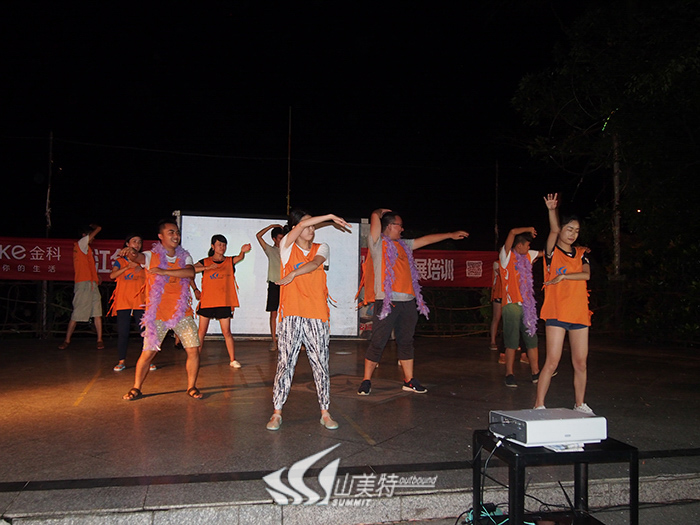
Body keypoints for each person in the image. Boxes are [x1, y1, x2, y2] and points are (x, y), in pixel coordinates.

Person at [357, 209, 468, 396]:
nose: (402, 229)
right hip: (387, 302)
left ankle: (409, 380)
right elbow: (375, 218)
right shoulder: (378, 244)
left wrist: (449, 235)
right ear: (389, 226)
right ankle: (366, 380)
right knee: (378, 341)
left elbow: (425, 240)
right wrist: (379, 211)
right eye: (399, 225)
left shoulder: (405, 245)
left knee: (406, 341)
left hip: (408, 302)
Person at [266, 210, 351, 431]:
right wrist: (329, 216)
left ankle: (325, 412)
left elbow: (315, 264)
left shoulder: (322, 247)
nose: (311, 229)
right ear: (296, 228)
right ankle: (277, 412)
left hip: (316, 314)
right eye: (307, 225)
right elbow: (297, 229)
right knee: (285, 364)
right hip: (291, 314)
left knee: (321, 364)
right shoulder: (286, 246)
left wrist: (293, 274)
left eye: (314, 226)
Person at [121, 218, 202, 400]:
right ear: (160, 236)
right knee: (148, 353)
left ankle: (191, 387)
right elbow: (136, 257)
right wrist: (131, 252)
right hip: (158, 313)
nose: (176, 235)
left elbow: (190, 272)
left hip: (181, 312)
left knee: (193, 350)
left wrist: (164, 272)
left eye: (177, 232)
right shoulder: (151, 256)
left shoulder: (185, 256)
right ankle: (136, 387)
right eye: (171, 232)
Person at [535, 193, 594, 414]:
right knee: (552, 361)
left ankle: (580, 404)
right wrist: (552, 210)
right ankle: (539, 404)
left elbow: (586, 275)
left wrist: (564, 276)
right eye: (569, 229)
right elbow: (552, 231)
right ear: (561, 229)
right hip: (557, 313)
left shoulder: (582, 254)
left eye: (576, 231)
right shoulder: (552, 253)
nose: (573, 234)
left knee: (581, 363)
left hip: (579, 314)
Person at [192, 234, 251, 368]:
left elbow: (239, 257)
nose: (222, 247)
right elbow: (191, 269)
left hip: (224, 302)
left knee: (227, 332)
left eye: (224, 245)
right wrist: (206, 269)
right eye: (219, 245)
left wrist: (242, 251)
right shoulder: (205, 261)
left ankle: (232, 360)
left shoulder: (229, 261)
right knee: (201, 332)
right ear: (213, 246)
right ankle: (196, 359)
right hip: (207, 301)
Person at [499, 226, 542, 388]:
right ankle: (509, 374)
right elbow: (511, 232)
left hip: (527, 306)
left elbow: (547, 253)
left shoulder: (528, 256)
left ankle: (536, 372)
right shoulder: (506, 256)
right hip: (511, 305)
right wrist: (528, 228)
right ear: (519, 246)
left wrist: (577, 251)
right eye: (527, 245)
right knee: (511, 342)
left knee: (532, 340)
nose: (529, 248)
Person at [107, 234, 155, 372]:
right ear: (127, 244)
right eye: (134, 241)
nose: (137, 244)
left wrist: (142, 268)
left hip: (140, 302)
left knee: (144, 332)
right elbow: (112, 275)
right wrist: (128, 266)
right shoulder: (120, 261)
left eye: (139, 242)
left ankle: (148, 361)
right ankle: (121, 360)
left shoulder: (144, 261)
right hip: (124, 302)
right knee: (123, 332)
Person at [59, 224, 104, 350]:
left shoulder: (87, 249)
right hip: (83, 284)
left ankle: (100, 339)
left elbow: (88, 266)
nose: (93, 238)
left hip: (92, 283)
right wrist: (96, 227)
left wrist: (96, 277)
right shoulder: (80, 244)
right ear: (85, 235)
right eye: (91, 236)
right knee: (77, 313)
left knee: (97, 312)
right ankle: (67, 340)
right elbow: (98, 230)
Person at [256, 223, 285, 351]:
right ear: (274, 239)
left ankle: (292, 340)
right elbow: (258, 236)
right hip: (274, 284)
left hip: (287, 284)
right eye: (279, 238)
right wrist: (271, 226)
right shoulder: (270, 250)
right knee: (273, 313)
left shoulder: (288, 250)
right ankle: (274, 340)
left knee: (290, 314)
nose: (282, 240)